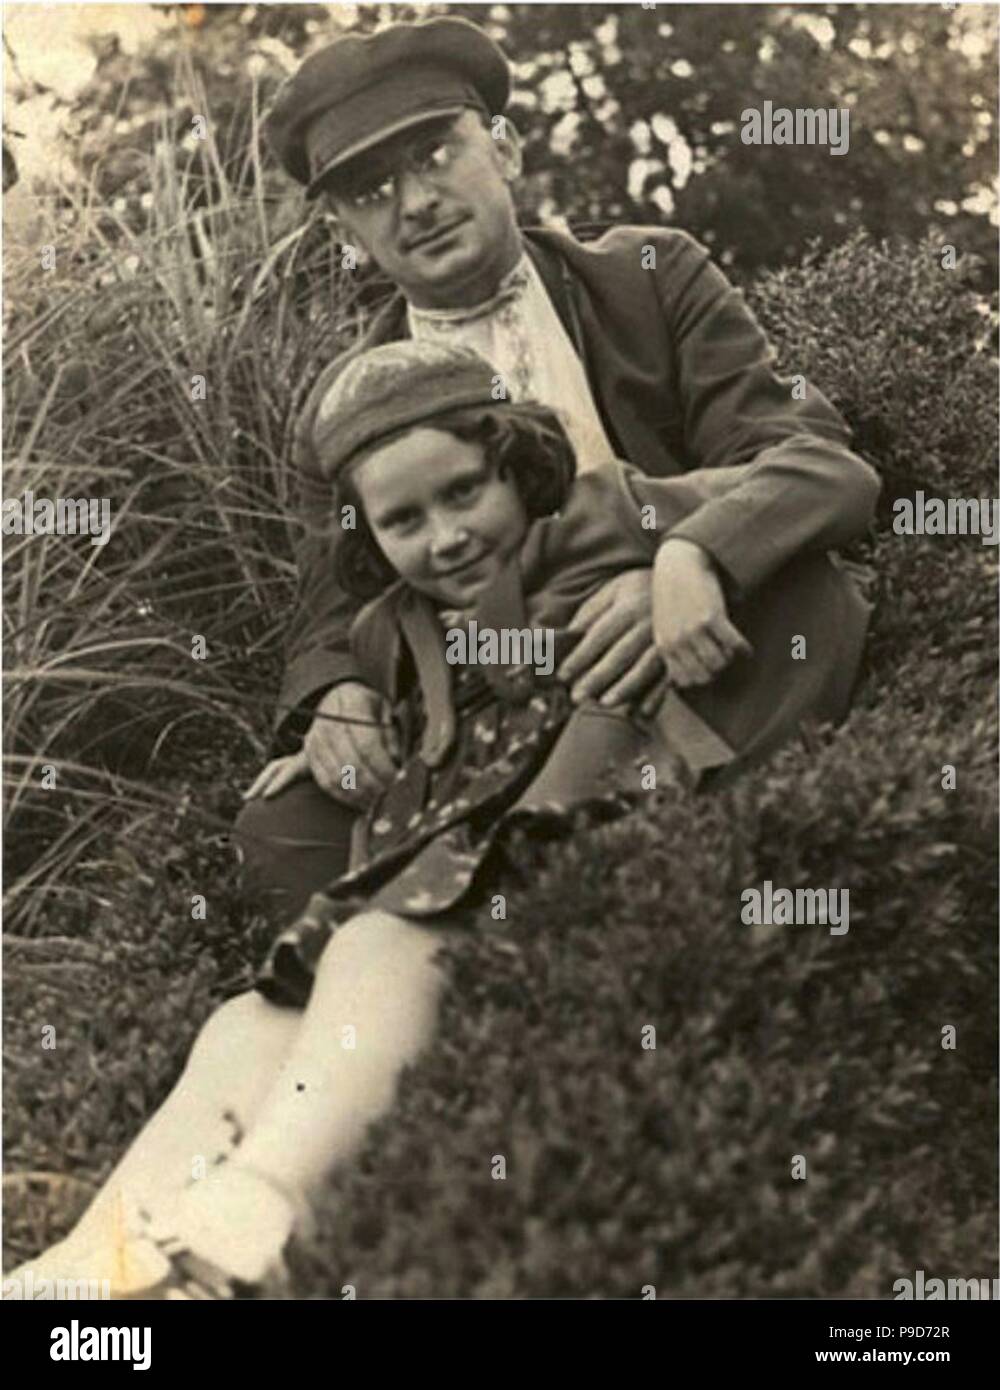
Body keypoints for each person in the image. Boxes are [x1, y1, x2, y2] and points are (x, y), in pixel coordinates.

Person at [7, 340, 873, 1299]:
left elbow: (831, 472)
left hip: (596, 825)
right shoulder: (389, 631)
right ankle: (94, 1262)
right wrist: (340, 748)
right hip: (467, 860)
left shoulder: (603, 513)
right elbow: (426, 747)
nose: (447, 537)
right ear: (367, 536)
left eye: (466, 492)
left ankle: (254, 1219)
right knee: (250, 1018)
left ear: (521, 466)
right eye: (404, 520)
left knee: (379, 945)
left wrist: (691, 551)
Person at [236, 15, 881, 924]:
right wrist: (333, 695)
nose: (415, 202)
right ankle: (452, 984)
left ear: (502, 149)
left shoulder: (650, 276)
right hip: (477, 700)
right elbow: (330, 608)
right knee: (281, 828)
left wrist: (684, 554)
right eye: (372, 189)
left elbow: (811, 462)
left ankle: (591, 919)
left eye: (435, 153)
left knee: (796, 601)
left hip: (653, 632)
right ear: (343, 224)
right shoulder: (344, 406)